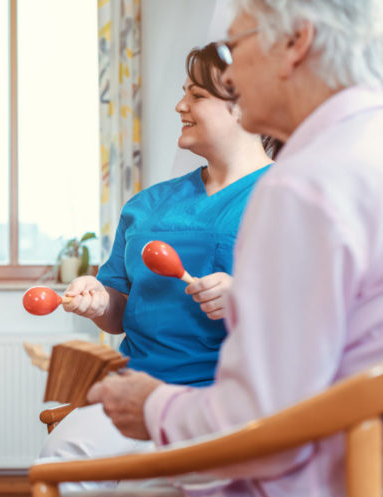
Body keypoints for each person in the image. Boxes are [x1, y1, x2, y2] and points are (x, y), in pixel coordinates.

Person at [80, 0, 383, 497]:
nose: (233, 73)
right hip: (353, 471)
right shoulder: (360, 150)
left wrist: (152, 405)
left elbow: (262, 432)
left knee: (61, 482)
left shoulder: (300, 185)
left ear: (295, 42)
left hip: (306, 483)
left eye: (234, 47)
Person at [40, 42, 275, 471]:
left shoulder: (285, 196)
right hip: (134, 388)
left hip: (226, 400)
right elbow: (118, 310)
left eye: (197, 96)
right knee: (61, 463)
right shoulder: (146, 205)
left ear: (245, 105)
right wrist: (99, 301)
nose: (179, 105)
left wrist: (247, 296)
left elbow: (314, 311)